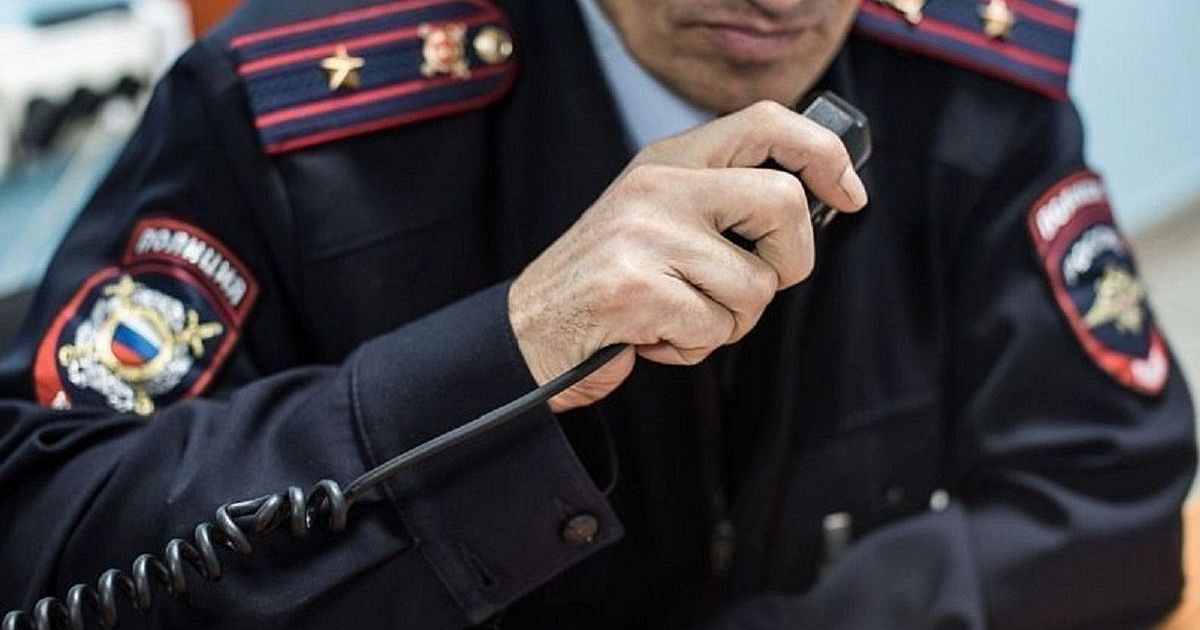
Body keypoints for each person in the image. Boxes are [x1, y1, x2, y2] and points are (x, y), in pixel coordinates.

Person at [0, 0, 1194, 628]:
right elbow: (42, 535)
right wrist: (509, 346)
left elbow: (1117, 488)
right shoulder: (290, 107)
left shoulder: (967, 82)